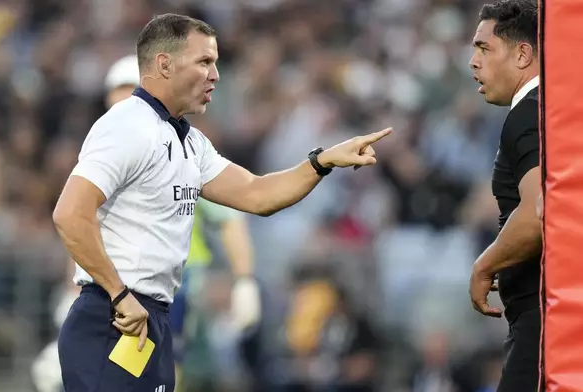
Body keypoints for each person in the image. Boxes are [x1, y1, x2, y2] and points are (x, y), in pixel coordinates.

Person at [53, 13, 391, 392]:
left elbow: (258, 194)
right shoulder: (127, 126)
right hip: (114, 318)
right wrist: (119, 294)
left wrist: (321, 161)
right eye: (204, 62)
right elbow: (69, 213)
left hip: (150, 318)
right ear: (164, 64)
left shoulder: (188, 141)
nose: (215, 75)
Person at [31, 54, 260, 392]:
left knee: (157, 370)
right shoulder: (111, 146)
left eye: (130, 89)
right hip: (120, 293)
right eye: (117, 90)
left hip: (176, 288)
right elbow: (84, 225)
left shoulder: (179, 149)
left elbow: (231, 217)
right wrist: (74, 287)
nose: (124, 98)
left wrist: (244, 279)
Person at [467, 1, 543, 391]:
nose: (473, 62)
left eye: (484, 48)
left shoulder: (528, 113)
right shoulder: (552, 111)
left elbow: (537, 212)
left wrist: (485, 264)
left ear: (523, 54)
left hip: (542, 319)